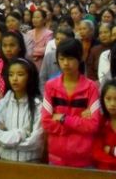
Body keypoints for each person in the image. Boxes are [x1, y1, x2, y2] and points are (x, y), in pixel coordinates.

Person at [41, 38, 100, 167]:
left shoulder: (91, 88)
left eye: (70, 59)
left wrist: (63, 119)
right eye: (61, 59)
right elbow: (46, 122)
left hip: (84, 159)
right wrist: (78, 124)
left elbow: (93, 125)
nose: (66, 63)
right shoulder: (50, 86)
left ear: (80, 58)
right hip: (56, 158)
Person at [0, 58, 43, 162]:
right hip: (5, 161)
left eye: (20, 74)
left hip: (31, 162)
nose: (14, 79)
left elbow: (35, 142)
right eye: (11, 75)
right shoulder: (2, 104)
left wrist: (6, 138)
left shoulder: (38, 106)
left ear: (30, 77)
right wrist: (22, 134)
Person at [0, 31, 26, 104]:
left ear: (20, 47)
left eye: (12, 45)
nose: (8, 49)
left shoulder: (27, 67)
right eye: (4, 46)